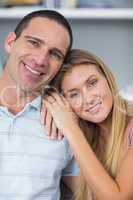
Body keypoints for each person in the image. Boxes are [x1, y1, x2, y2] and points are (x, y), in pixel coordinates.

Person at [0, 10, 79, 200]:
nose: (40, 60)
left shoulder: (65, 123)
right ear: (10, 42)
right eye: (34, 43)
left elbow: (92, 194)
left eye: (55, 54)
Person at [42, 49, 133, 200]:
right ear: (65, 103)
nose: (88, 99)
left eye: (92, 83)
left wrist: (71, 128)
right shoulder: (83, 144)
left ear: (107, 78)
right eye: (74, 94)